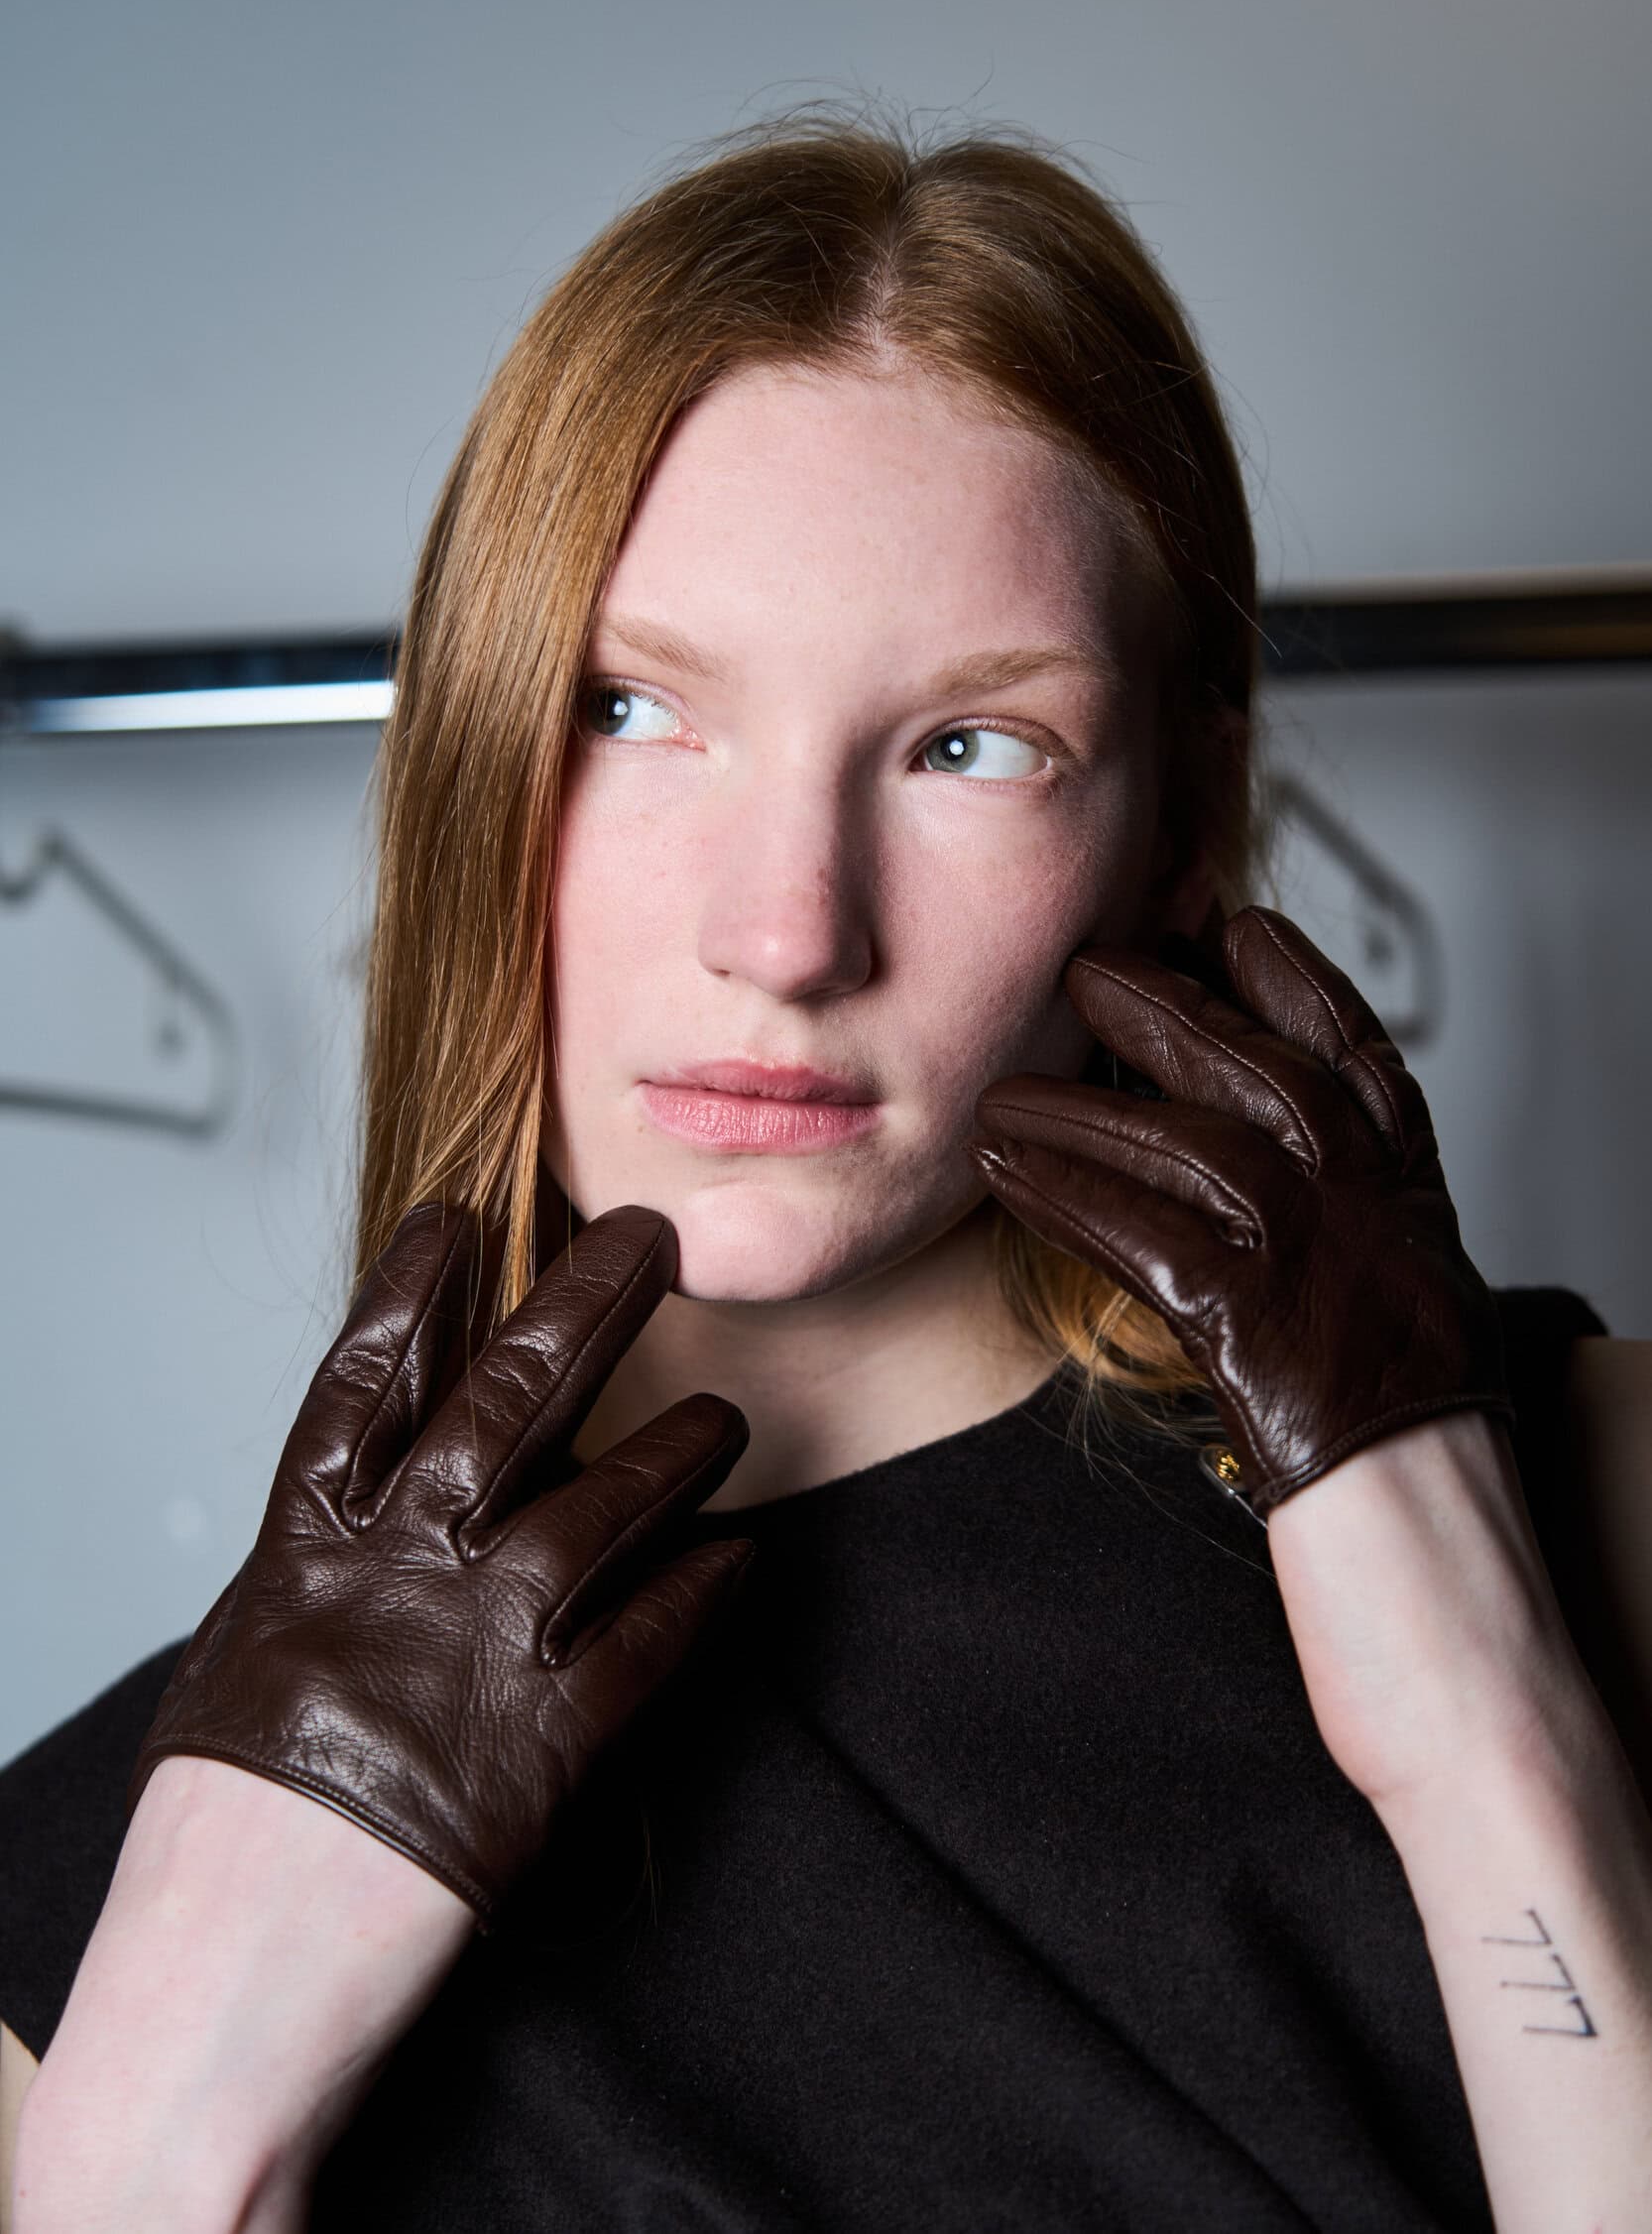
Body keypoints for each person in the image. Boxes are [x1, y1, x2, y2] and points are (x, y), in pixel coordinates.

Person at [4, 108, 1651, 2233]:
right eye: (631, 710)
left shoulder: (1580, 1501)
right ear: (473, 758)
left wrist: (1483, 1729)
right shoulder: (81, 1916)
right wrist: (158, 2123)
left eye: (969, 745)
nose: (785, 932)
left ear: (1176, 823)